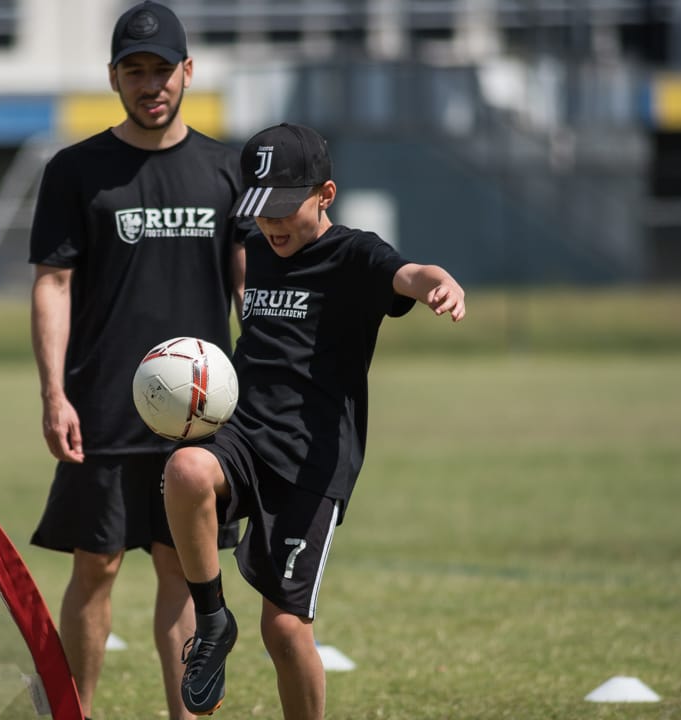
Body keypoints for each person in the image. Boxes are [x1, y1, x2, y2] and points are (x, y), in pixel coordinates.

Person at [163, 122, 467, 718]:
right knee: (185, 471)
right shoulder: (257, 247)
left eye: (284, 208)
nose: (271, 223)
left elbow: (408, 274)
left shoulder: (353, 253)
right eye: (260, 210)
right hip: (243, 433)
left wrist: (440, 283)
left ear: (325, 194)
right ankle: (212, 620)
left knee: (283, 629)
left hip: (310, 462)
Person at [28, 2, 252, 718]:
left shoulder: (226, 170)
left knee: (184, 572)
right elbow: (53, 283)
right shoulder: (76, 170)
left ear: (188, 71)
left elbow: (249, 287)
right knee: (96, 566)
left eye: (162, 70)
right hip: (102, 405)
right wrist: (54, 395)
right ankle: (75, 712)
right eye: (135, 71)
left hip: (200, 416)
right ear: (113, 77)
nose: (151, 84)